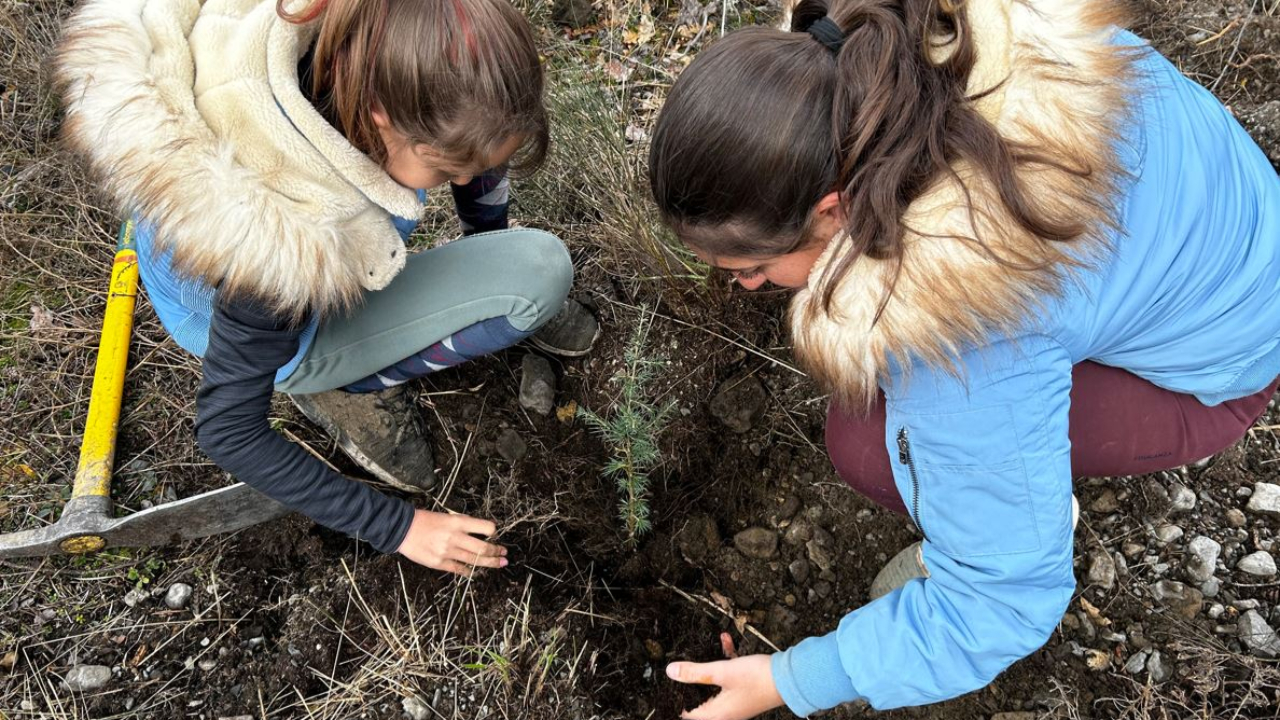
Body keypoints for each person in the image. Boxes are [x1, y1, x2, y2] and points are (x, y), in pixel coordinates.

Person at [647, 0, 1280, 717]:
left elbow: (1001, 604)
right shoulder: (919, 48)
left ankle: (1035, 506)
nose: (746, 287)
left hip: (1221, 372)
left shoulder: (973, 327)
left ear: (831, 211)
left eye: (751, 268)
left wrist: (789, 680)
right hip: (1232, 235)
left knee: (868, 442)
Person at [54, 0, 597, 574]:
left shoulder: (373, 35)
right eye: (445, 173)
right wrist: (399, 527)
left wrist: (482, 245)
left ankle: (469, 249)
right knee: (538, 272)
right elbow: (228, 429)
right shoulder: (276, 243)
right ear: (382, 115)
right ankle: (344, 386)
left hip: (230, 246)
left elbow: (470, 136)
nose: (459, 184)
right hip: (266, 313)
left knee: (478, 123)